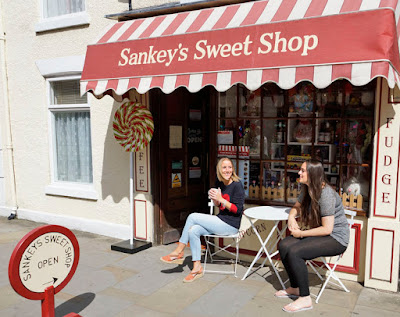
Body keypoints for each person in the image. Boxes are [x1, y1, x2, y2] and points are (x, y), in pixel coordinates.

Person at [275, 159, 350, 313]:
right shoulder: (307, 189)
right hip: (321, 234)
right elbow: (297, 207)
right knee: (283, 246)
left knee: (296, 252)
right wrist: (291, 217)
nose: (299, 173)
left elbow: (327, 229)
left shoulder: (326, 194)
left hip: (336, 238)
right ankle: (295, 287)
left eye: (303, 170)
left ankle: (305, 298)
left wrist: (301, 233)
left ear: (313, 174)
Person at [160, 157, 245, 283]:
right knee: (193, 230)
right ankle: (197, 267)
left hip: (230, 225)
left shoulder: (237, 185)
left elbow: (237, 210)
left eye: (230, 167)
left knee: (192, 217)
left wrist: (221, 199)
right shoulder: (220, 183)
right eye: (224, 167)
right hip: (220, 220)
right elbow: (220, 206)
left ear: (233, 169)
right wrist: (216, 200)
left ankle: (179, 251)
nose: (227, 170)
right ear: (219, 170)